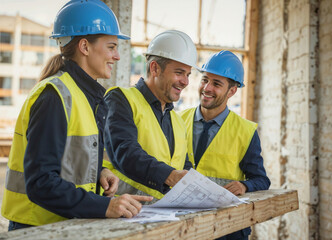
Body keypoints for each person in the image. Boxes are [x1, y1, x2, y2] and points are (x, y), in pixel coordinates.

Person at [1, 0, 152, 231]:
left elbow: (65, 158)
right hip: (37, 228)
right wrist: (105, 206)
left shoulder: (83, 94)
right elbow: (41, 183)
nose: (117, 56)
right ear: (84, 46)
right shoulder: (55, 97)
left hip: (65, 226)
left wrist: (98, 171)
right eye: (111, 46)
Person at [180, 51, 271, 240]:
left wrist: (245, 185)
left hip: (228, 229)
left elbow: (261, 180)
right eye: (205, 80)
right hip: (184, 224)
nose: (207, 88)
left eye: (216, 84)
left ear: (232, 91)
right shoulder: (177, 120)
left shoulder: (245, 131)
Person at [103, 30, 198, 200]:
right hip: (123, 215)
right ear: (155, 68)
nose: (185, 82)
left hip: (165, 218)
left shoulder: (177, 120)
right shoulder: (121, 99)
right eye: (179, 72)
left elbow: (183, 166)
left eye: (188, 74)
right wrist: (170, 176)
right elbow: (125, 153)